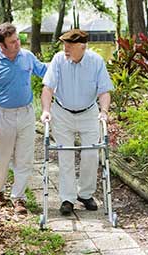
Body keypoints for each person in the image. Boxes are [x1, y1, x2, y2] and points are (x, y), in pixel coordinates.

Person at [40, 29, 113, 216]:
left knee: (90, 154)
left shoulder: (96, 61)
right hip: (62, 112)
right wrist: (46, 111)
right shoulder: (58, 60)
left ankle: (85, 194)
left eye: (69, 45)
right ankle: (67, 198)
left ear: (82, 46)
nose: (65, 48)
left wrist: (104, 112)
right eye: (64, 44)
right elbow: (48, 88)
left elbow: (104, 91)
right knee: (66, 156)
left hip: (88, 112)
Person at [0, 22, 47, 215]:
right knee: (1, 157)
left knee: (24, 158)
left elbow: (45, 72)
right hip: (3, 115)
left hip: (26, 113)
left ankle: (19, 198)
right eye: (12, 42)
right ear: (2, 45)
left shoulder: (27, 57)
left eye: (18, 39)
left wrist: (64, 64)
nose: (17, 43)